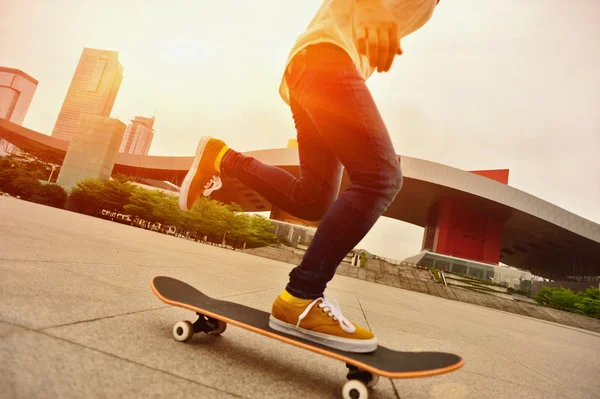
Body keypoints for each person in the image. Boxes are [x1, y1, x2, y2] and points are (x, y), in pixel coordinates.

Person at [179, 0, 440, 353]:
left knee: (313, 199)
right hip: (325, 61)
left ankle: (221, 157)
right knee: (380, 178)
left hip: (313, 69)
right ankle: (301, 297)